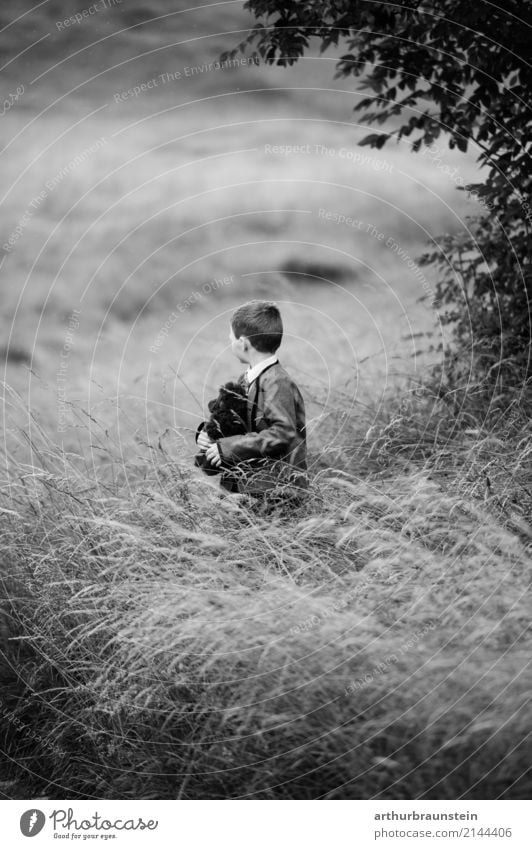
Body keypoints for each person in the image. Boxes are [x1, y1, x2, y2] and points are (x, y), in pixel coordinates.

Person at [196, 300, 307, 503]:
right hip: (250, 485)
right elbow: (238, 425)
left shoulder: (276, 381)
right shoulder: (247, 378)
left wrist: (228, 448)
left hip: (277, 491)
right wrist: (208, 435)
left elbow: (282, 433)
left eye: (230, 336)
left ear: (243, 343)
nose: (229, 340)